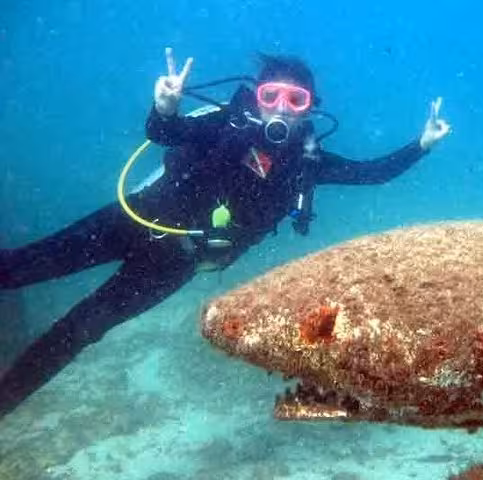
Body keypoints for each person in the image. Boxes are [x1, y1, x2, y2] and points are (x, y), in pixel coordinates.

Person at [0, 48, 451, 416]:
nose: (281, 108)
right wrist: (165, 104)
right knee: (22, 266)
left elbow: (372, 174)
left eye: (296, 101)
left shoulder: (306, 163)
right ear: (256, 96)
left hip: (176, 265)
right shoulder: (222, 122)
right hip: (130, 221)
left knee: (79, 330)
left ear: (311, 108)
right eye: (272, 95)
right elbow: (163, 132)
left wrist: (421, 146)